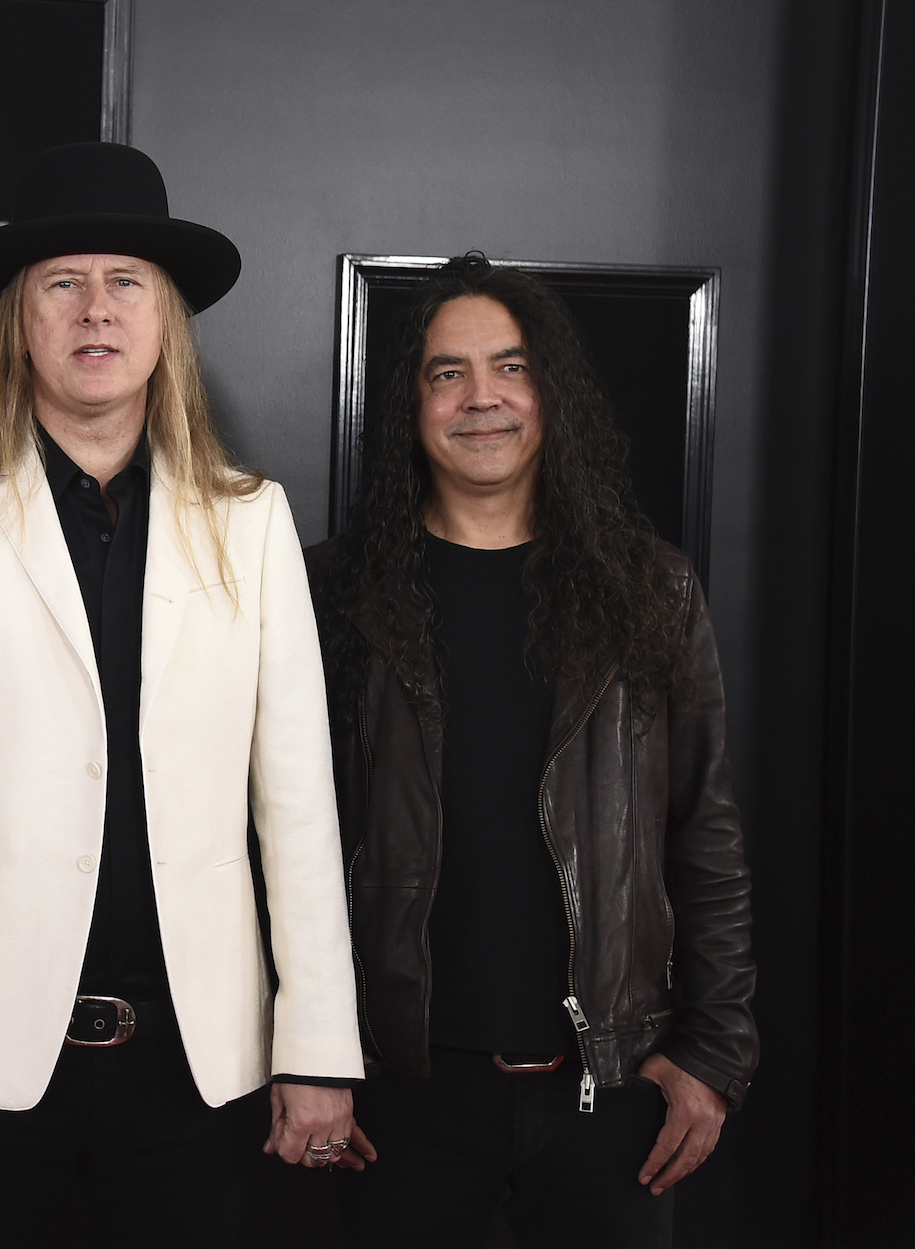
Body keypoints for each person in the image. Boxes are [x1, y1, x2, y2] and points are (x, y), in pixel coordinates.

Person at [0, 142, 364, 1247]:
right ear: (18, 320)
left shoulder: (252, 521)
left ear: (166, 321)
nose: (95, 310)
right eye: (61, 283)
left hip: (196, 1071)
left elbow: (299, 810)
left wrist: (314, 1048)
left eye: (127, 283)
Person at [307, 254, 758, 1247]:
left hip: (610, 1091)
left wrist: (716, 1053)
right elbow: (279, 842)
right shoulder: (333, 596)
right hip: (396, 1101)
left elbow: (706, 833)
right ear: (411, 404)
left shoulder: (651, 593)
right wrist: (307, 1056)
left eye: (511, 368)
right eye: (446, 372)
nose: (482, 399)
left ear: (552, 393)